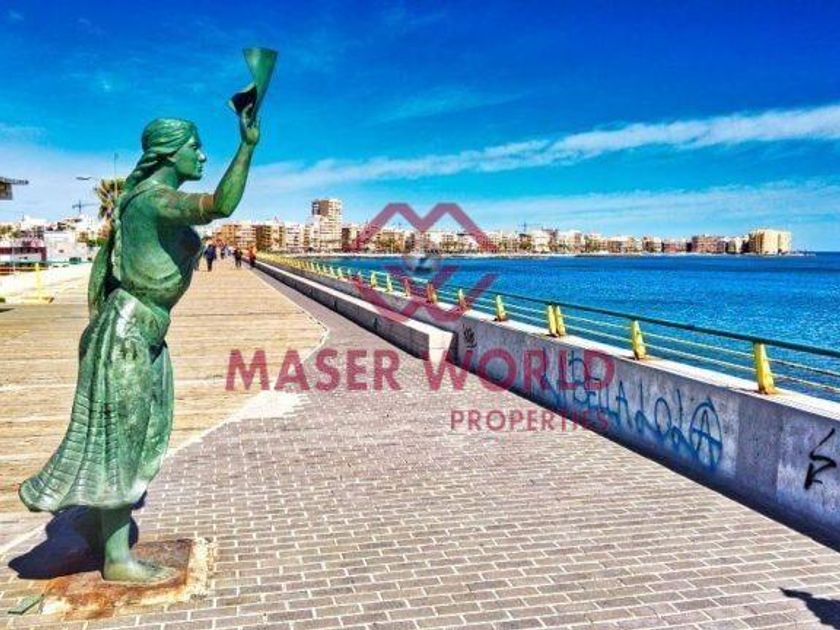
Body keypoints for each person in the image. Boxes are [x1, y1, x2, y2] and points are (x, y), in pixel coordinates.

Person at [18, 107, 260, 582]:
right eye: (195, 147)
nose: (203, 156)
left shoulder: (144, 199)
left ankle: (96, 529)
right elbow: (220, 205)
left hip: (142, 331)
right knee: (123, 445)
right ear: (168, 153)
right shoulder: (153, 200)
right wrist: (247, 146)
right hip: (128, 334)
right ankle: (116, 560)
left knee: (137, 438)